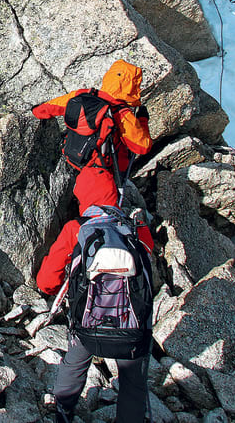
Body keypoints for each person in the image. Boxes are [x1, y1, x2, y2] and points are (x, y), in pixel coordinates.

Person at [37, 165, 153, 423]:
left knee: (75, 362)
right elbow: (149, 252)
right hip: (133, 328)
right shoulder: (132, 228)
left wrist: (51, 291)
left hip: (88, 324)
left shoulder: (77, 228)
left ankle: (63, 411)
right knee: (134, 382)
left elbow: (46, 279)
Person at [32, 59, 152, 184]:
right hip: (104, 169)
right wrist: (142, 120)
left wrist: (36, 111)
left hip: (73, 154)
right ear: (132, 87)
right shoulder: (122, 114)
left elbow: (51, 107)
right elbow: (142, 147)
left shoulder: (84, 95)